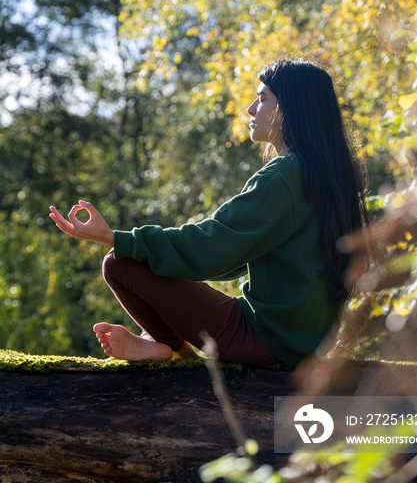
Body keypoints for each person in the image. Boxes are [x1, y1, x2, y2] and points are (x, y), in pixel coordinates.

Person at [49, 57, 368, 367]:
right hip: (304, 345)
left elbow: (212, 245)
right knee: (142, 261)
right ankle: (160, 345)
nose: (251, 109)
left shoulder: (286, 175)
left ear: (291, 108)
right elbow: (230, 256)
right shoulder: (330, 176)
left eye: (263, 99)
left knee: (120, 263)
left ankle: (171, 351)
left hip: (265, 339)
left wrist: (114, 237)